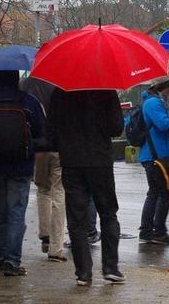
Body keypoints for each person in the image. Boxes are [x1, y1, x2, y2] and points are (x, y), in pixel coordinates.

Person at [46, 88, 125, 285]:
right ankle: (110, 268)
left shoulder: (60, 92)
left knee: (76, 218)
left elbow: (51, 129)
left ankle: (83, 272)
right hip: (100, 160)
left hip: (71, 161)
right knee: (108, 213)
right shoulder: (106, 90)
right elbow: (116, 127)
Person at [0, 70, 45, 276]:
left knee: (0, 211)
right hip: (21, 166)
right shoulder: (29, 102)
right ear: (16, 78)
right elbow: (42, 130)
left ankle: (1, 256)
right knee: (16, 211)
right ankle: (12, 260)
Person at [20, 76, 68, 262]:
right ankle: (56, 248)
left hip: (38, 147)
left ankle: (45, 234)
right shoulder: (62, 84)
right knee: (59, 192)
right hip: (60, 146)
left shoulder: (26, 84)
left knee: (42, 189)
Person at [138, 76, 169, 245]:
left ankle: (149, 231)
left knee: (157, 193)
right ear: (163, 87)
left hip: (157, 155)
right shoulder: (153, 103)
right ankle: (157, 231)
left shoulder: (154, 101)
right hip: (155, 157)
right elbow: (162, 124)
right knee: (161, 193)